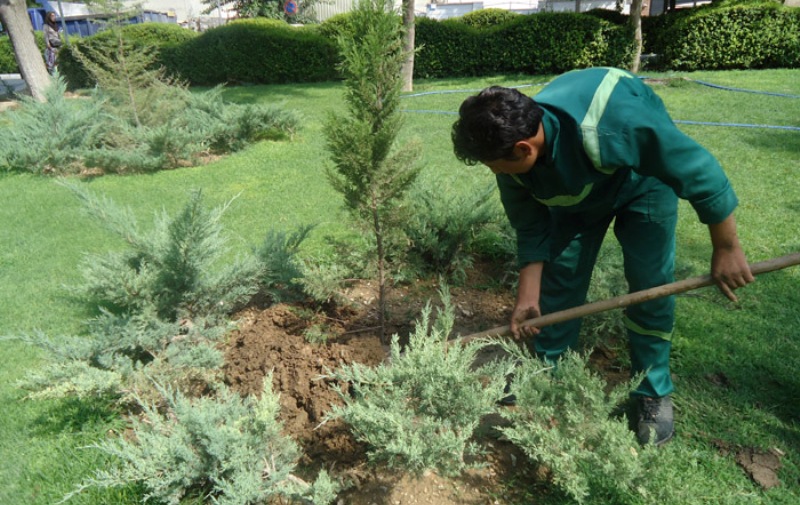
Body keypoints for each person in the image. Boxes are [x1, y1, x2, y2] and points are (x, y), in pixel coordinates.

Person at [451, 67, 754, 446]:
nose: (494, 172)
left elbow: (700, 173)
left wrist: (726, 248)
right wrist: (527, 299)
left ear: (524, 149)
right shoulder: (508, 149)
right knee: (559, 280)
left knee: (651, 286)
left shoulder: (617, 126)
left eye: (495, 166)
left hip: (643, 182)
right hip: (579, 194)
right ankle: (545, 369)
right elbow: (531, 228)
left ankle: (651, 390)